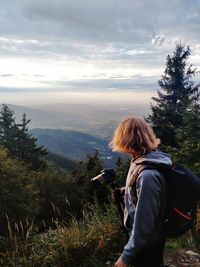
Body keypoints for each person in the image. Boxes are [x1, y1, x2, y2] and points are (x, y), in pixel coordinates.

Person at [109, 116, 172, 267]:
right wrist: (128, 191)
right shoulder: (143, 160)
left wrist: (125, 257)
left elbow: (144, 224)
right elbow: (148, 195)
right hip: (145, 241)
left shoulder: (147, 175)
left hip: (147, 245)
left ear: (128, 140)